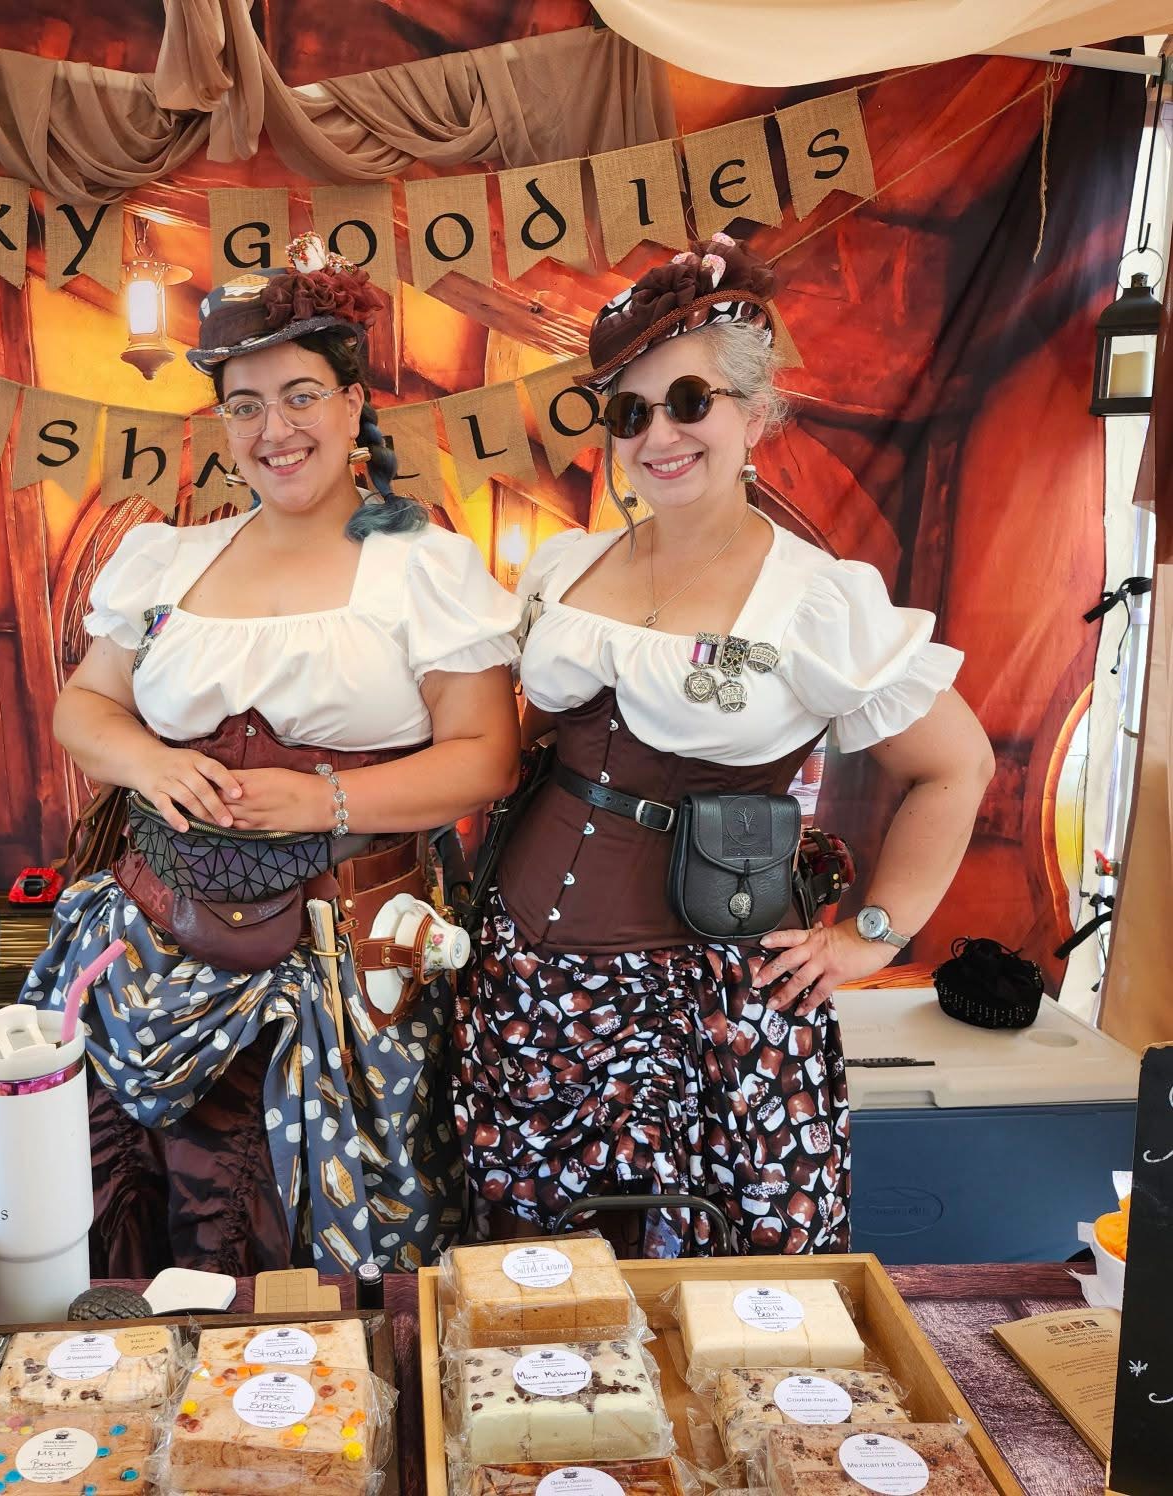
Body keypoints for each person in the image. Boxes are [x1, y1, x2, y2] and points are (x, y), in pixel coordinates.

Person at [454, 236, 995, 1256]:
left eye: (688, 401)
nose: (657, 433)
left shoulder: (816, 598)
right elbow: (522, 751)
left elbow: (954, 765)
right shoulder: (565, 567)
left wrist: (871, 935)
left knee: (703, 1279)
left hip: (708, 1004)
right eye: (630, 413)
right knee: (540, 1276)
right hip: (528, 984)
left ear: (753, 414)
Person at [25, 235, 521, 1278]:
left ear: (353, 405)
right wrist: (149, 763)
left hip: (339, 962)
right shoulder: (171, 558)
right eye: (244, 406)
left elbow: (486, 758)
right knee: (137, 1217)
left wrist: (322, 798)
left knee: (298, 1242)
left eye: (300, 397)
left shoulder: (422, 567)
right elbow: (85, 707)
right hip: (149, 945)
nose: (274, 430)